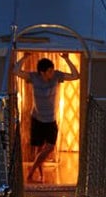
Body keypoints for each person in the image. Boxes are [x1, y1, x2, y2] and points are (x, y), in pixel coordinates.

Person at [13, 52, 79, 182]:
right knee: (39, 148)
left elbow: (76, 76)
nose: (52, 73)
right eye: (49, 71)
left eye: (52, 70)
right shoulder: (34, 77)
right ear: (42, 72)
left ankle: (31, 173)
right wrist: (25, 57)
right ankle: (40, 176)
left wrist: (67, 59)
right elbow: (16, 71)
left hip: (51, 119)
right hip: (37, 118)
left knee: (49, 147)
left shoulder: (57, 76)